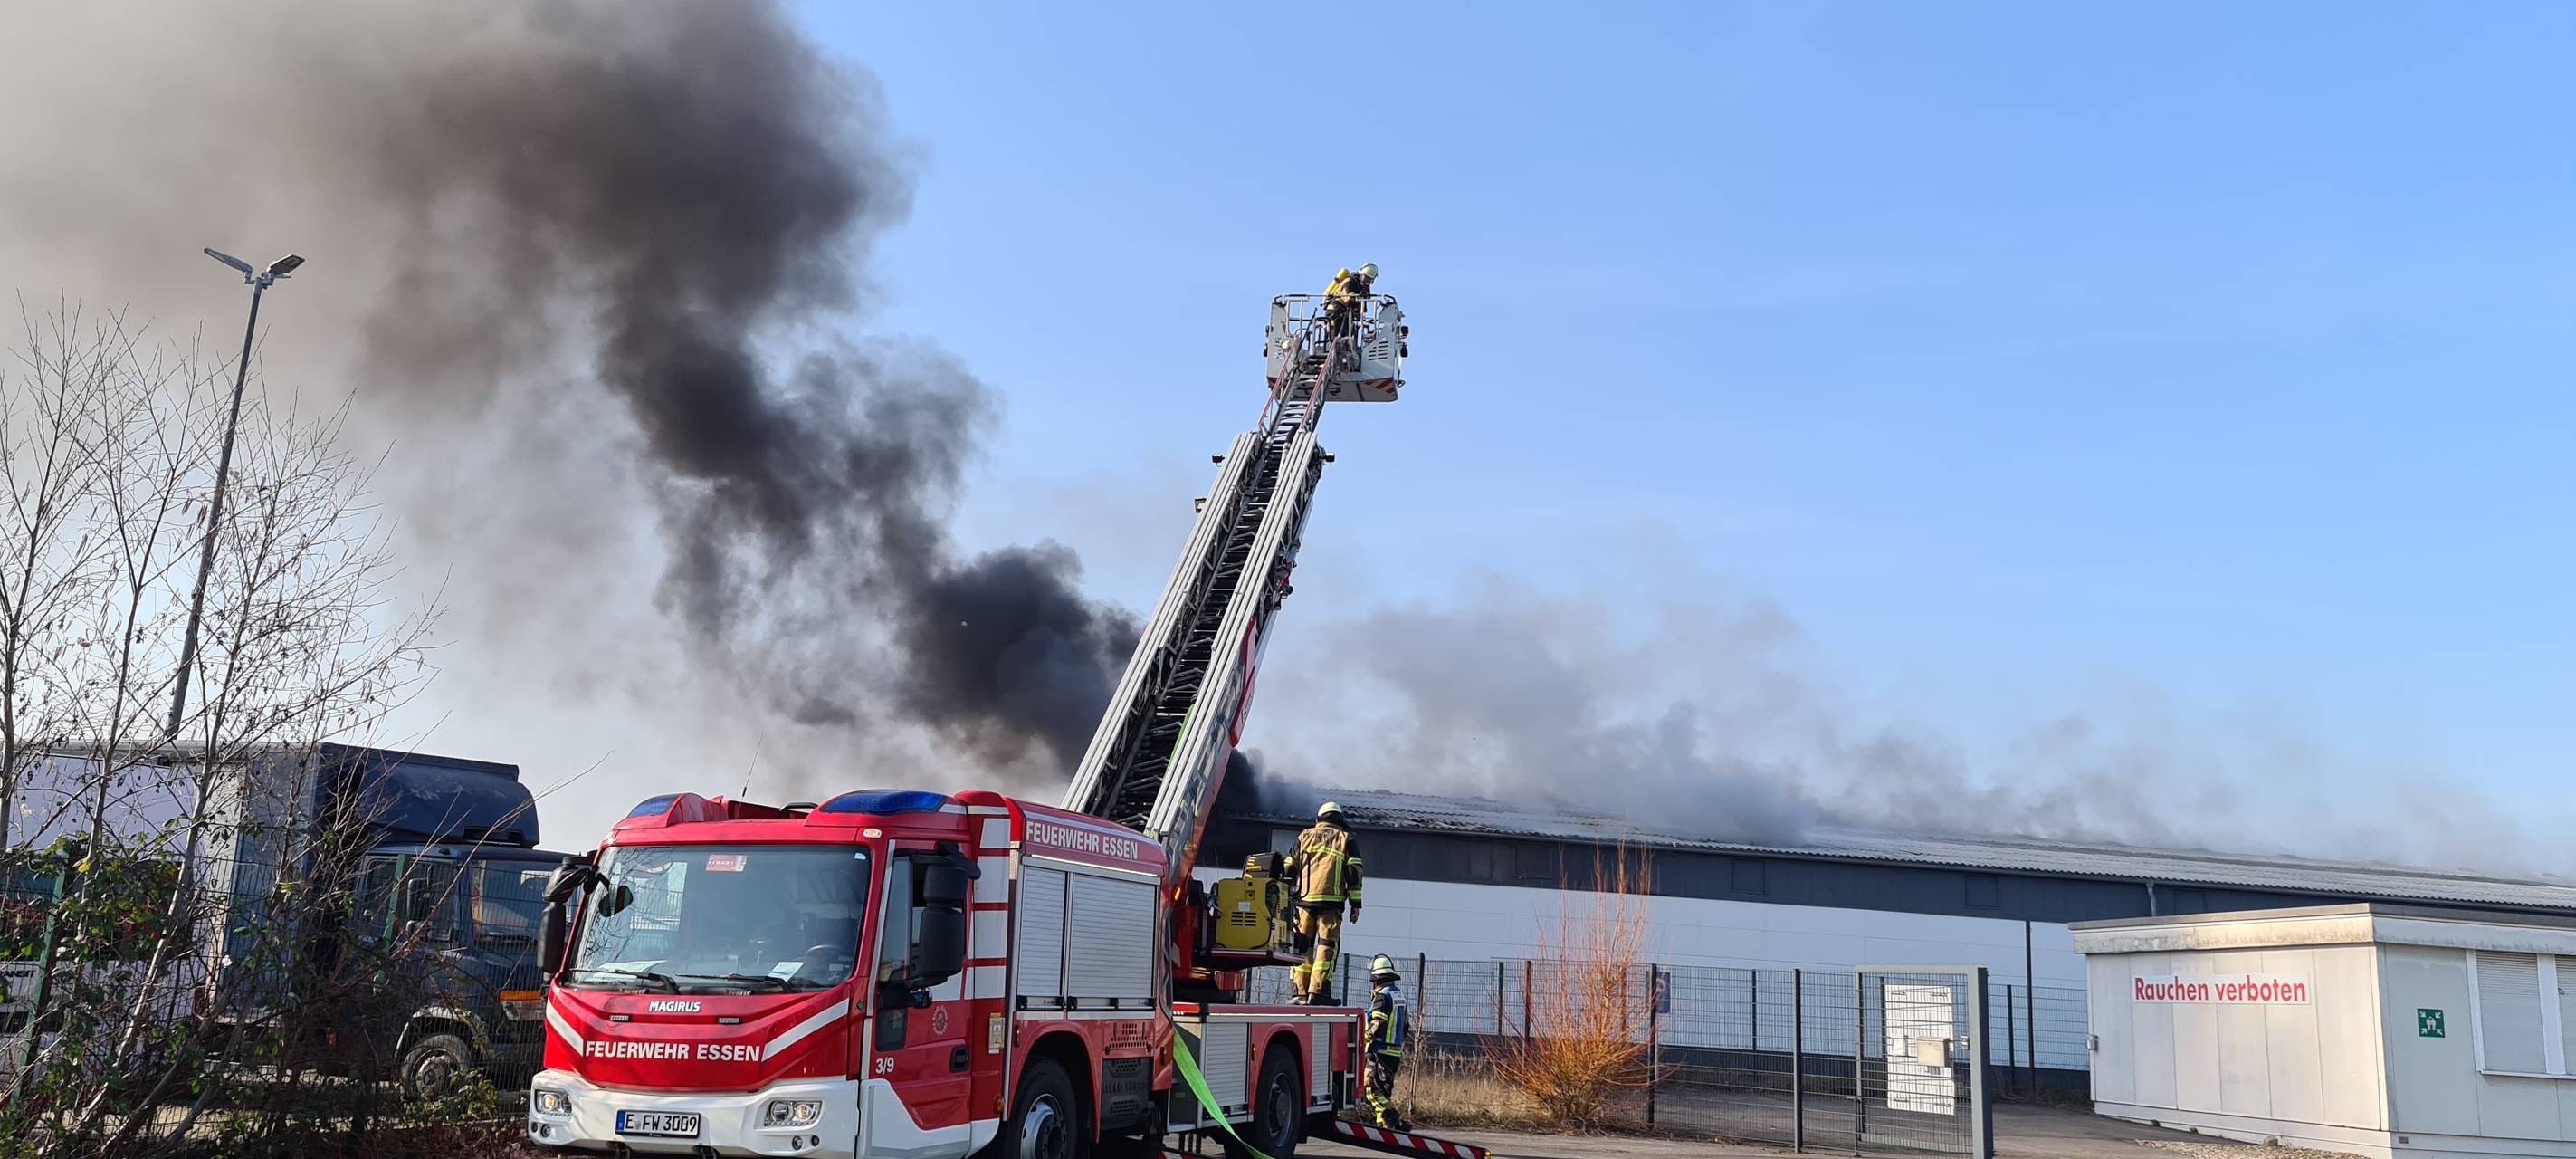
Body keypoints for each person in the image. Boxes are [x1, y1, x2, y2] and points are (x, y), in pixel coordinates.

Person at [1285, 800, 1362, 1003]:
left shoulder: (1304, 836)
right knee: (1327, 946)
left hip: (1304, 902)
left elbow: (1289, 867)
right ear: (1340, 820)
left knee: (1302, 946)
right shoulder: (1345, 839)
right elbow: (1354, 872)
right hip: (1331, 903)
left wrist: (1285, 896)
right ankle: (1318, 992)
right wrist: (1355, 904)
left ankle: (1300, 992)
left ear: (1319, 819)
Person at [1364, 954, 1411, 1130]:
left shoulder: (1383, 997)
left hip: (1380, 1050)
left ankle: (1393, 1119)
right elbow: (1406, 1026)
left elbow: (1377, 1023)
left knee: (1372, 1089)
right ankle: (1382, 1125)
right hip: (1394, 1051)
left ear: (1377, 980)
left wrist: (1364, 1039)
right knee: (1384, 1090)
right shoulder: (1400, 996)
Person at [1322, 263, 1379, 330]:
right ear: (1360, 275)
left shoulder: (1363, 288)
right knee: (1335, 334)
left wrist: (1360, 313)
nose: (1367, 282)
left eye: (1369, 280)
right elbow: (1348, 300)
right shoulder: (1349, 281)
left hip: (1346, 315)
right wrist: (1357, 302)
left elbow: (1363, 306)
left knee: (1349, 333)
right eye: (1365, 279)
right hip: (1335, 312)